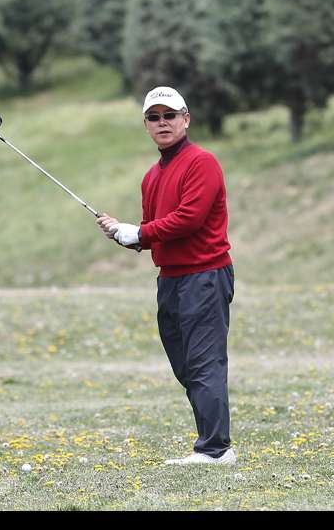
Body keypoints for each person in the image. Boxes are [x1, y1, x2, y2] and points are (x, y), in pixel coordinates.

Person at [97, 85, 236, 465]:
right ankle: (212, 443)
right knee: (186, 365)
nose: (163, 123)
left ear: (186, 119)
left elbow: (188, 219)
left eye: (170, 115)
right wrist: (123, 234)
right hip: (171, 280)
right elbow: (151, 231)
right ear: (146, 125)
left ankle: (216, 449)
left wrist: (140, 233)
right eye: (154, 117)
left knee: (204, 362)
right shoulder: (151, 177)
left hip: (205, 275)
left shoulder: (201, 162)